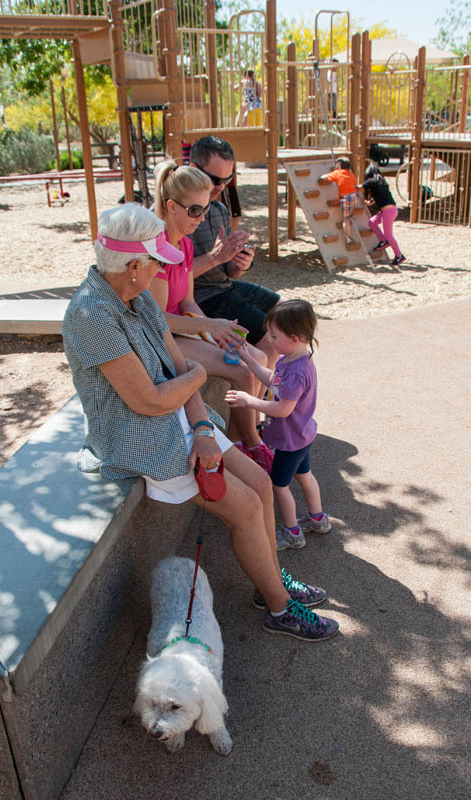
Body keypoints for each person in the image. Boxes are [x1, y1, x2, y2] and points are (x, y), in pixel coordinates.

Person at [61, 203, 339, 642]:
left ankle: (270, 579)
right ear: (134, 265)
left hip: (178, 419)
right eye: (155, 261)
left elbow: (177, 370)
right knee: (246, 507)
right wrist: (197, 377)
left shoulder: (134, 295)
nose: (161, 270)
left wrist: (205, 429)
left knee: (262, 484)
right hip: (138, 437)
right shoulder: (92, 314)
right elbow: (152, 397)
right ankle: (279, 607)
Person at [149, 160, 273, 471]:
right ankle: (253, 447)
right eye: (195, 210)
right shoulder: (159, 249)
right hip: (161, 338)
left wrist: (216, 331)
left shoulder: (185, 245)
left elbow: (188, 301)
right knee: (245, 371)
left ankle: (241, 441)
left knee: (254, 355)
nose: (201, 218)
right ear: (171, 206)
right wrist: (209, 327)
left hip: (181, 329)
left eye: (205, 210)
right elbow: (156, 320)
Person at [225, 299, 332, 551]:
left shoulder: (294, 370)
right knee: (305, 476)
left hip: (289, 441)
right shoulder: (296, 358)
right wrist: (248, 358)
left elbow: (283, 408)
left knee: (279, 486)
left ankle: (292, 532)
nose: (270, 341)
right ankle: (318, 518)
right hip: (302, 435)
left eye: (274, 336)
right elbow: (275, 381)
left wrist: (249, 400)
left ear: (294, 337)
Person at [189, 136, 281, 372]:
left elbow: (229, 272)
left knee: (287, 312)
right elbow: (174, 278)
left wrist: (241, 263)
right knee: (269, 342)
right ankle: (266, 404)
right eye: (214, 179)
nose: (220, 187)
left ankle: (283, 393)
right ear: (193, 169)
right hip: (202, 296)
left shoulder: (219, 209)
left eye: (227, 179)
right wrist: (216, 258)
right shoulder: (181, 212)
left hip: (224, 287)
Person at [360, 163, 406, 267]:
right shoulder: (381, 182)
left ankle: (399, 255)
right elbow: (379, 198)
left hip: (388, 212)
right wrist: (369, 202)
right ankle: (383, 241)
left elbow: (359, 187)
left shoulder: (372, 181)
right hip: (389, 210)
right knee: (372, 222)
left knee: (389, 234)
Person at [320, 157, 358, 245]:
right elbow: (354, 183)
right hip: (354, 197)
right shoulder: (351, 174)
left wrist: (332, 172)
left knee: (346, 219)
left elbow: (323, 177)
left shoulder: (337, 173)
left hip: (346, 198)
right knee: (349, 214)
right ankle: (350, 216)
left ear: (339, 165)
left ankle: (348, 237)